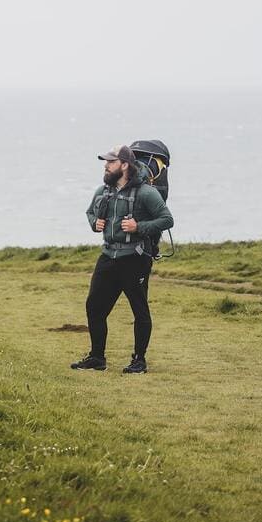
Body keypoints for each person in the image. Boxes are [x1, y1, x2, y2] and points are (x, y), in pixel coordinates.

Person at [71, 144, 174, 374]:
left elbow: (167, 219)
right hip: (108, 256)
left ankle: (139, 360)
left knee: (139, 310)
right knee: (94, 307)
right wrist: (94, 224)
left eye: (111, 162)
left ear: (125, 165)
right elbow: (90, 213)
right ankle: (97, 358)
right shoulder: (102, 191)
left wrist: (140, 226)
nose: (106, 166)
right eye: (106, 162)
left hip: (135, 259)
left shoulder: (147, 192)